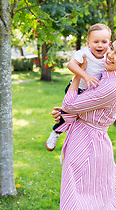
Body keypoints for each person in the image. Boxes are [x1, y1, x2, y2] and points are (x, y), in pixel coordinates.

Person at [52, 33, 116, 209]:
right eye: (112, 48)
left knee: (82, 199)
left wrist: (78, 74)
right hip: (90, 140)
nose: (110, 54)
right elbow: (87, 108)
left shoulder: (111, 87)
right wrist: (66, 115)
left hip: (86, 145)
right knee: (102, 195)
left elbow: (70, 104)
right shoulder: (112, 74)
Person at [45, 23, 112, 151]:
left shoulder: (108, 56)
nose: (100, 45)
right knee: (66, 115)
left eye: (104, 42)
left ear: (109, 43)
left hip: (91, 92)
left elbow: (115, 66)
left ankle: (78, 140)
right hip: (77, 88)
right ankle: (56, 133)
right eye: (96, 41)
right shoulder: (84, 53)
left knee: (81, 117)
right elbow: (71, 65)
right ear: (88, 43)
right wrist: (85, 75)